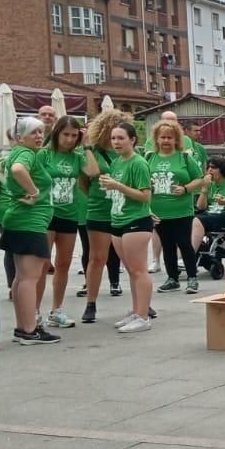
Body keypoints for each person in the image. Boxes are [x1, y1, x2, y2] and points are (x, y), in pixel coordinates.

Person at [0, 117, 57, 346]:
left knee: (22, 277)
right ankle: (30, 329)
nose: (39, 136)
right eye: (33, 132)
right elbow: (17, 169)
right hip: (29, 221)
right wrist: (33, 191)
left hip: (19, 219)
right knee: (30, 277)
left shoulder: (17, 152)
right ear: (20, 137)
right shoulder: (26, 154)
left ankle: (23, 327)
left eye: (41, 132)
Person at [100, 120, 156, 334]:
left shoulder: (138, 163)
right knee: (132, 270)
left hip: (136, 221)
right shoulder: (116, 163)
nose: (116, 142)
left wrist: (118, 186)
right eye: (113, 138)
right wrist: (109, 186)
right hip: (118, 219)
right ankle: (136, 310)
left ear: (132, 140)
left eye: (121, 138)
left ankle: (143, 315)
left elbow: (145, 196)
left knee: (139, 269)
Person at [79, 111, 128, 326]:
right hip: (99, 209)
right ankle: (91, 302)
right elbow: (88, 176)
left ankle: (141, 301)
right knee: (97, 258)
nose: (116, 137)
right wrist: (88, 147)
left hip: (124, 209)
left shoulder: (127, 153)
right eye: (114, 131)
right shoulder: (93, 151)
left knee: (129, 257)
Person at [38, 116, 87, 329]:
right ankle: (34, 311)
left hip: (69, 213)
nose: (69, 139)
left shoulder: (77, 157)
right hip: (47, 213)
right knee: (41, 264)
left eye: (74, 136)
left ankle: (56, 310)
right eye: (65, 134)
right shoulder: (44, 154)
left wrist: (88, 146)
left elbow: (93, 172)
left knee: (64, 264)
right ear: (57, 133)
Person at [147, 120, 205, 294]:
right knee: (167, 245)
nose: (166, 141)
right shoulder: (149, 158)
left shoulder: (184, 157)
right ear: (156, 139)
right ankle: (172, 278)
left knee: (184, 243)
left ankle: (192, 278)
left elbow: (200, 179)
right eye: (162, 137)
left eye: (169, 138)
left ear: (176, 140)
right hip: (159, 211)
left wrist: (186, 188)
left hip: (181, 210)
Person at [193, 156, 225, 254]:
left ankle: (187, 256)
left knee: (198, 220)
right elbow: (200, 207)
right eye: (208, 167)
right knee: (189, 220)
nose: (209, 170)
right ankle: (185, 255)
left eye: (214, 167)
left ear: (222, 170)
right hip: (210, 215)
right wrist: (205, 189)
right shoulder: (208, 183)